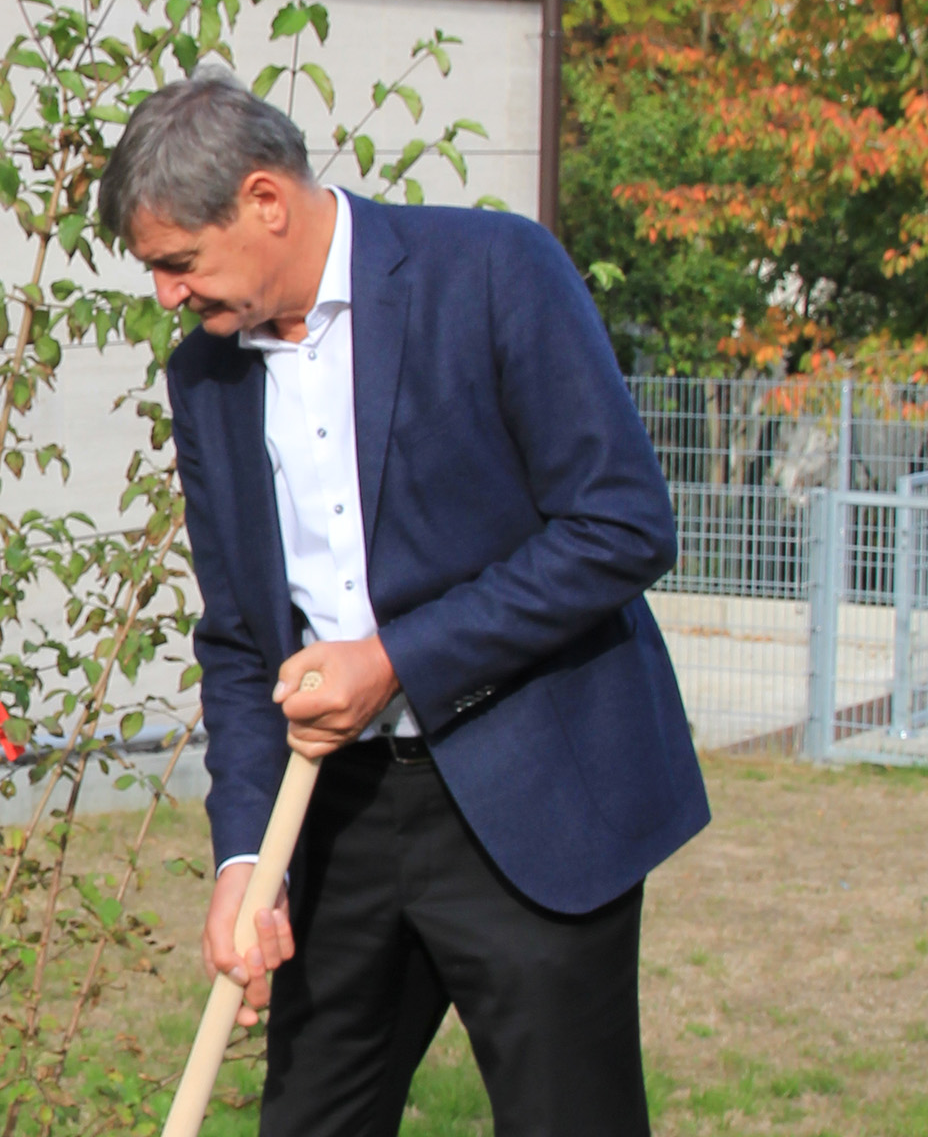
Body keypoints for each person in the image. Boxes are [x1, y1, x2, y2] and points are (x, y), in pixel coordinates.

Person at [98, 73, 707, 1136]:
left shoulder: (490, 271)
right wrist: (246, 859)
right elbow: (240, 639)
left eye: (177, 263)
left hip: (531, 798)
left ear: (264, 201)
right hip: (335, 817)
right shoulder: (205, 378)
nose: (165, 297)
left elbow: (617, 526)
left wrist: (395, 659)